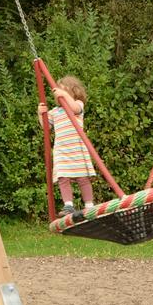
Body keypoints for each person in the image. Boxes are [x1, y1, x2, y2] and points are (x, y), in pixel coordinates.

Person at [38, 75, 95, 215]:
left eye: (63, 92)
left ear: (74, 92)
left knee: (83, 178)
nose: (59, 96)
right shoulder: (55, 112)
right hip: (62, 150)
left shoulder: (78, 104)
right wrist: (40, 114)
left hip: (77, 148)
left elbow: (75, 108)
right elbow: (46, 127)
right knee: (63, 177)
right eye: (57, 94)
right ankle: (68, 205)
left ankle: (89, 205)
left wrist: (63, 94)